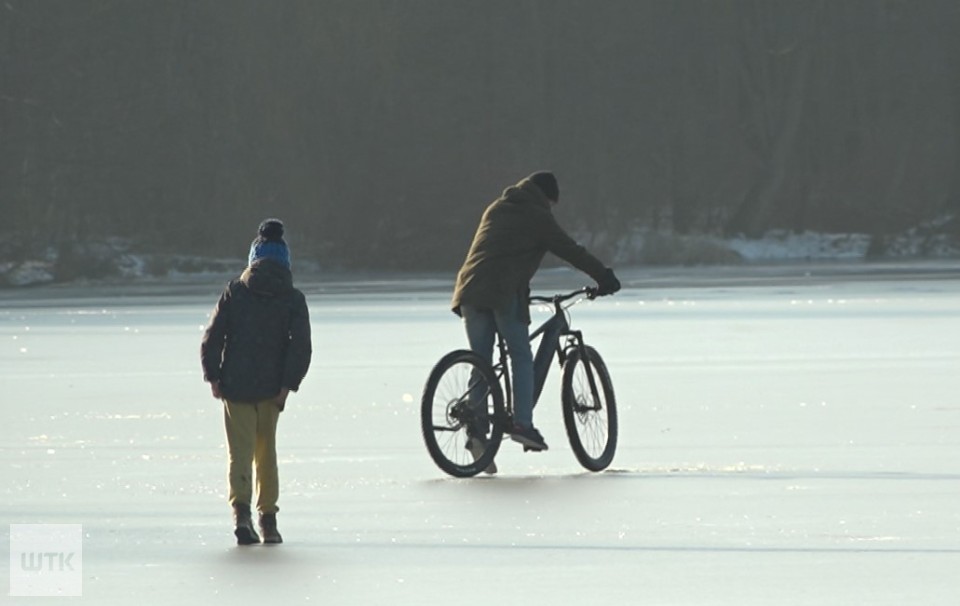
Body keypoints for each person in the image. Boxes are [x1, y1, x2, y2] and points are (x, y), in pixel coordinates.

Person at [451, 171, 621, 465]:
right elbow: (570, 250)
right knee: (521, 356)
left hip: (469, 291)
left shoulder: (497, 207)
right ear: (546, 198)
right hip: (503, 293)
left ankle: (477, 431)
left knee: (481, 361)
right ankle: (522, 425)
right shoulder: (537, 216)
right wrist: (603, 276)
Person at [201, 218, 312, 545]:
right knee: (267, 453)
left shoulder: (235, 292)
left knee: (240, 452)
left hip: (235, 385)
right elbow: (301, 346)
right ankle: (269, 521)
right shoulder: (292, 298)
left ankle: (242, 515)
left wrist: (214, 376)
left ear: (253, 258)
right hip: (271, 389)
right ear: (286, 261)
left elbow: (213, 337)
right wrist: (287, 385)